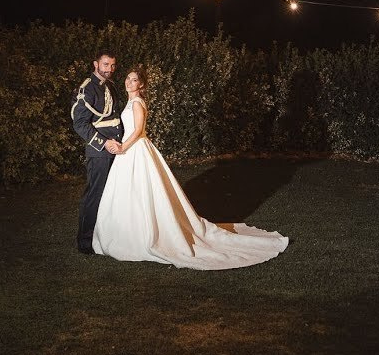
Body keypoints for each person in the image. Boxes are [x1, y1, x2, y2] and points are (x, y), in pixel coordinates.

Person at [93, 65, 289, 269]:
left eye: (133, 80)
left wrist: (123, 146)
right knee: (129, 191)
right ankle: (127, 233)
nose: (128, 82)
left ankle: (141, 235)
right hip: (129, 150)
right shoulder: (131, 102)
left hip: (135, 148)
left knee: (141, 191)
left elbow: (139, 130)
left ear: (141, 84)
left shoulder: (136, 103)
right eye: (127, 78)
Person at [71, 49, 125, 254]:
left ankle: (108, 236)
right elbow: (80, 124)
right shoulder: (86, 89)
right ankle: (85, 242)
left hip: (118, 147)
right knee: (95, 194)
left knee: (114, 194)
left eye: (112, 65)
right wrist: (104, 143)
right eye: (105, 65)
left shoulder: (110, 86)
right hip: (100, 151)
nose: (109, 69)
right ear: (96, 64)